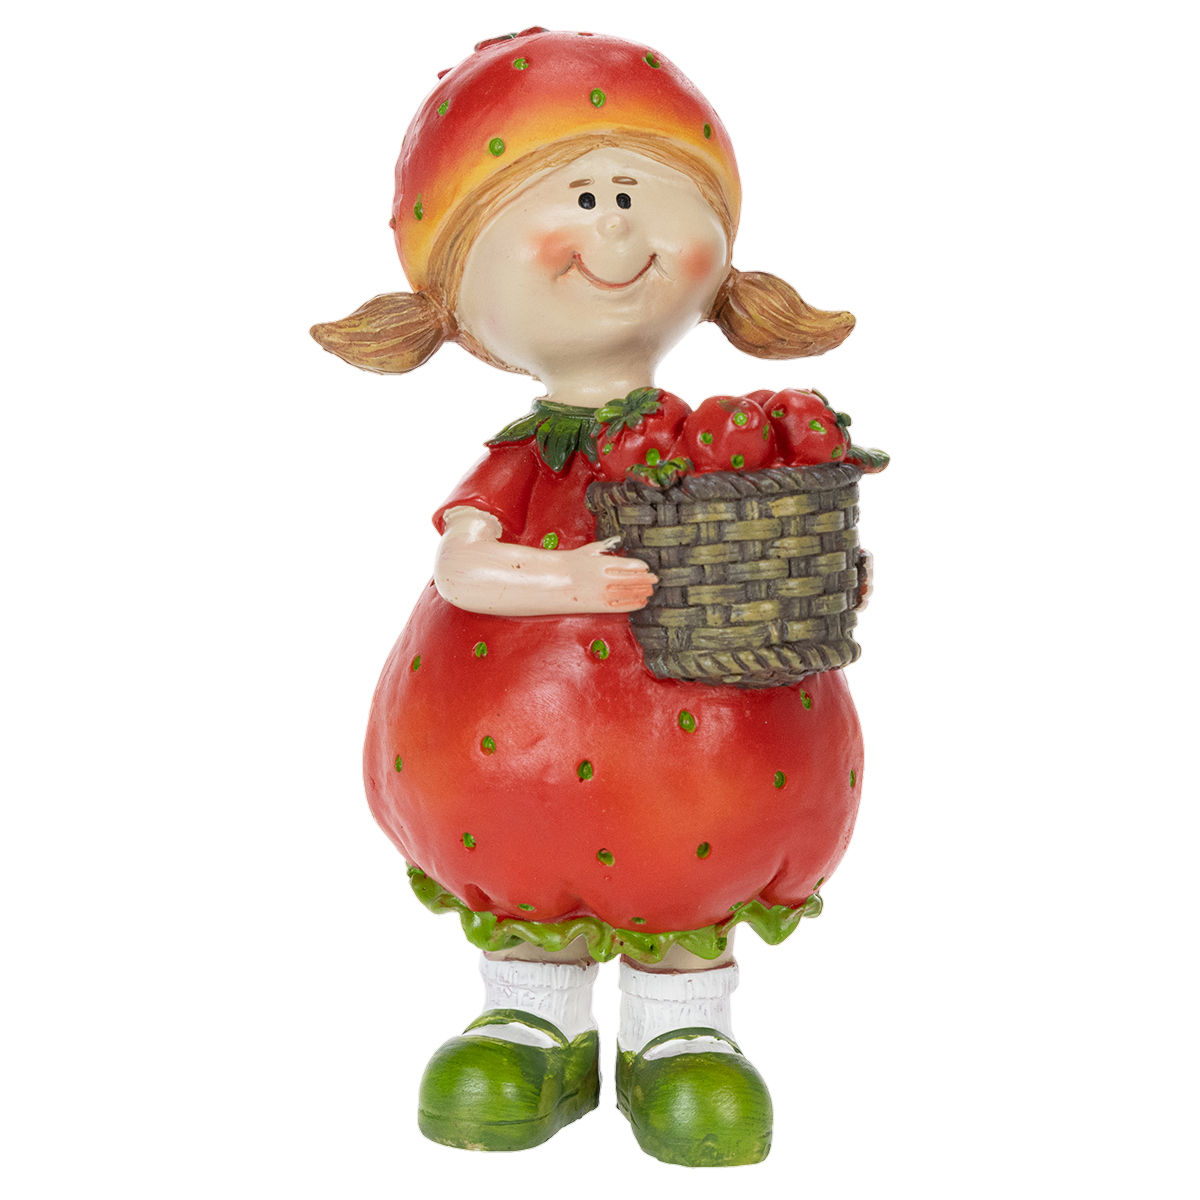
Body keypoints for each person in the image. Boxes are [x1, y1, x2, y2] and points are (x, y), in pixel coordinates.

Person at [313, 28, 862, 1167]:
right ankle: (532, 1019)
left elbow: (775, 541)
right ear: (456, 294)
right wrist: (566, 581)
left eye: (639, 192)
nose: (615, 224)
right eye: (581, 196)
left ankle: (683, 1034)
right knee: (527, 862)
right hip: (509, 745)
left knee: (702, 852)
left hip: (715, 748)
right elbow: (463, 567)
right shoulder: (520, 458)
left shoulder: (718, 445)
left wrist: (824, 573)